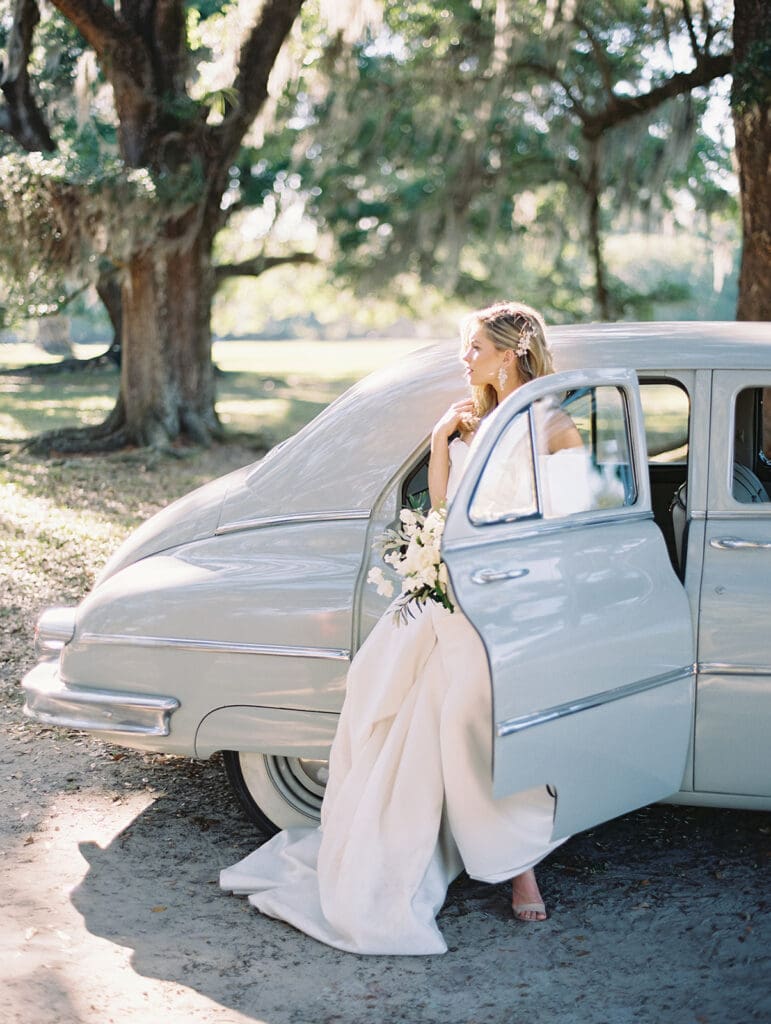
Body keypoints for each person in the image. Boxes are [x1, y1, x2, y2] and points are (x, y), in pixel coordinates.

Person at [221, 301, 578, 955]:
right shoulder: (473, 415)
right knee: (398, 709)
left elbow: (566, 525)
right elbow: (442, 510)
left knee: (478, 726)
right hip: (445, 589)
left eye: (473, 347)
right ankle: (421, 849)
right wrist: (443, 440)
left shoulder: (554, 427)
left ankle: (518, 867)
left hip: (507, 596)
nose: (462, 358)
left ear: (511, 350)